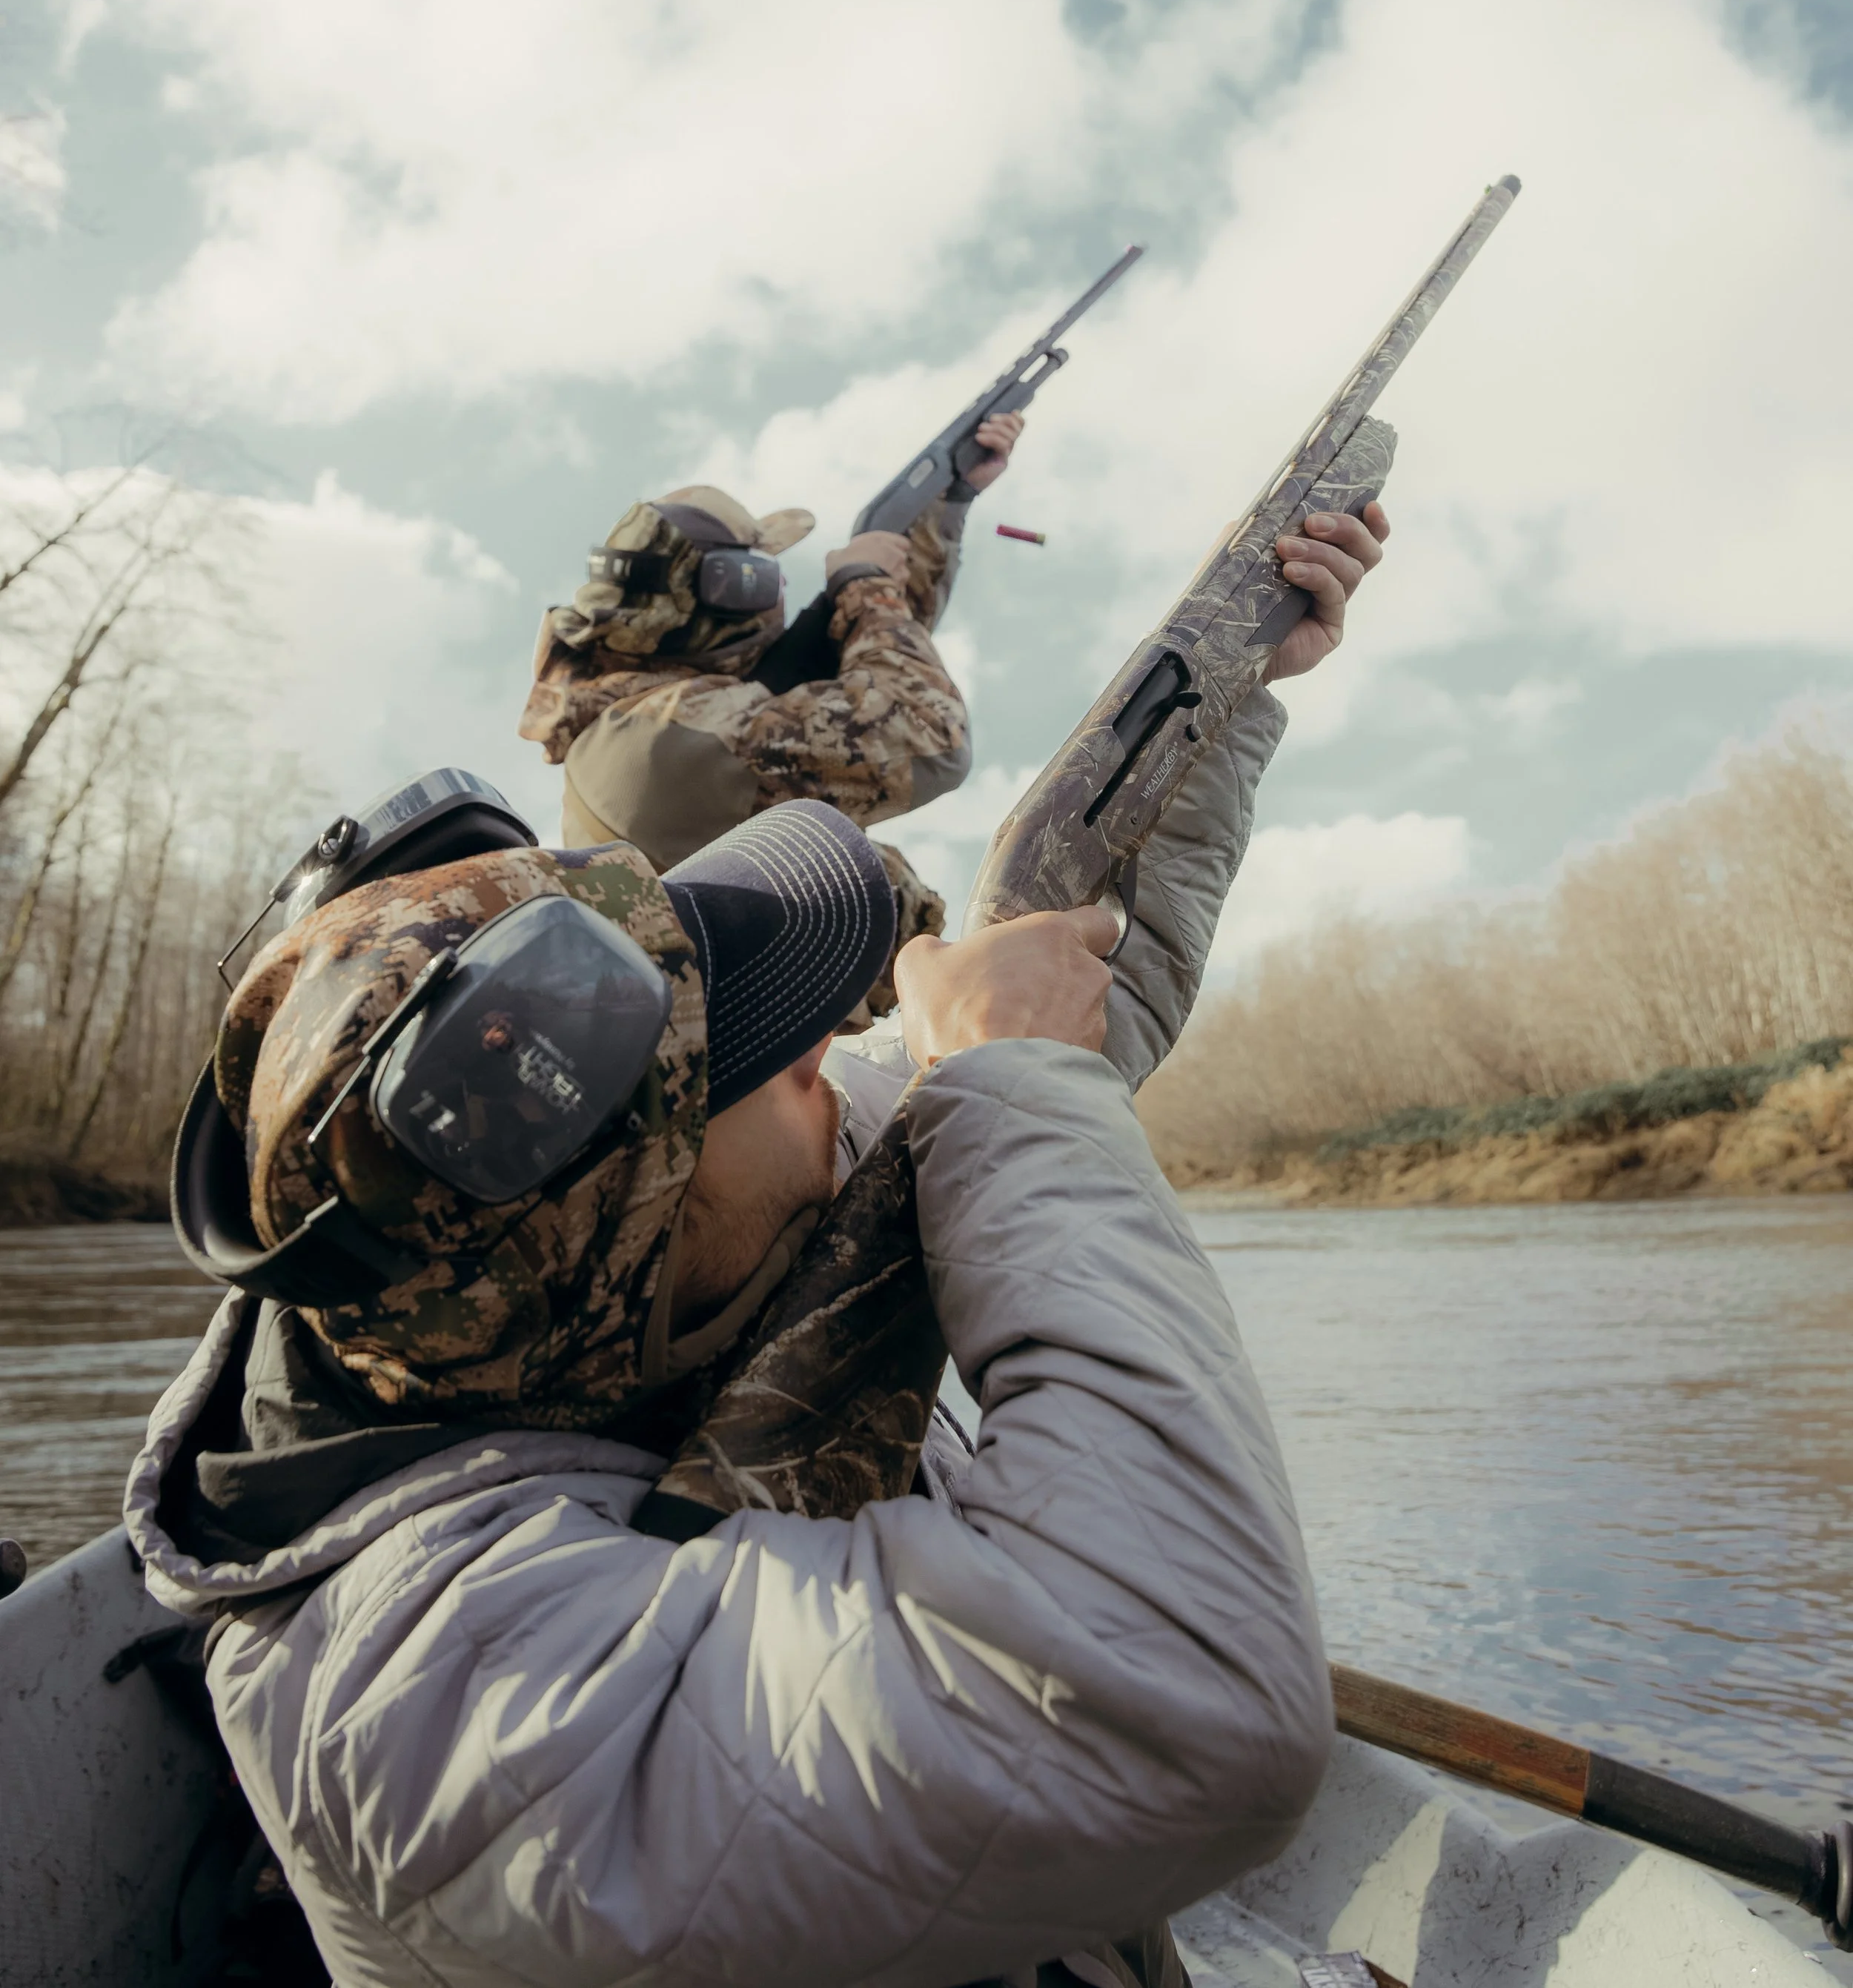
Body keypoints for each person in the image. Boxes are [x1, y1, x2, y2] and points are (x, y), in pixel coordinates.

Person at [130, 504, 1385, 1988]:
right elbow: (1191, 1697)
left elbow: (1062, 1010)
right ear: (627, 1239)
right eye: (775, 1043)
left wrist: (1231, 692)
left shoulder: (531, 1289)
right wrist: (1012, 1089)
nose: (834, 1051)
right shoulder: (433, 1705)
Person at [517, 412, 1026, 877]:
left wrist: (947, 502)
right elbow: (925, 725)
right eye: (758, 572)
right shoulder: (681, 737)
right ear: (726, 591)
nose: (779, 588)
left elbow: (883, 658)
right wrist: (865, 584)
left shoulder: (648, 714)